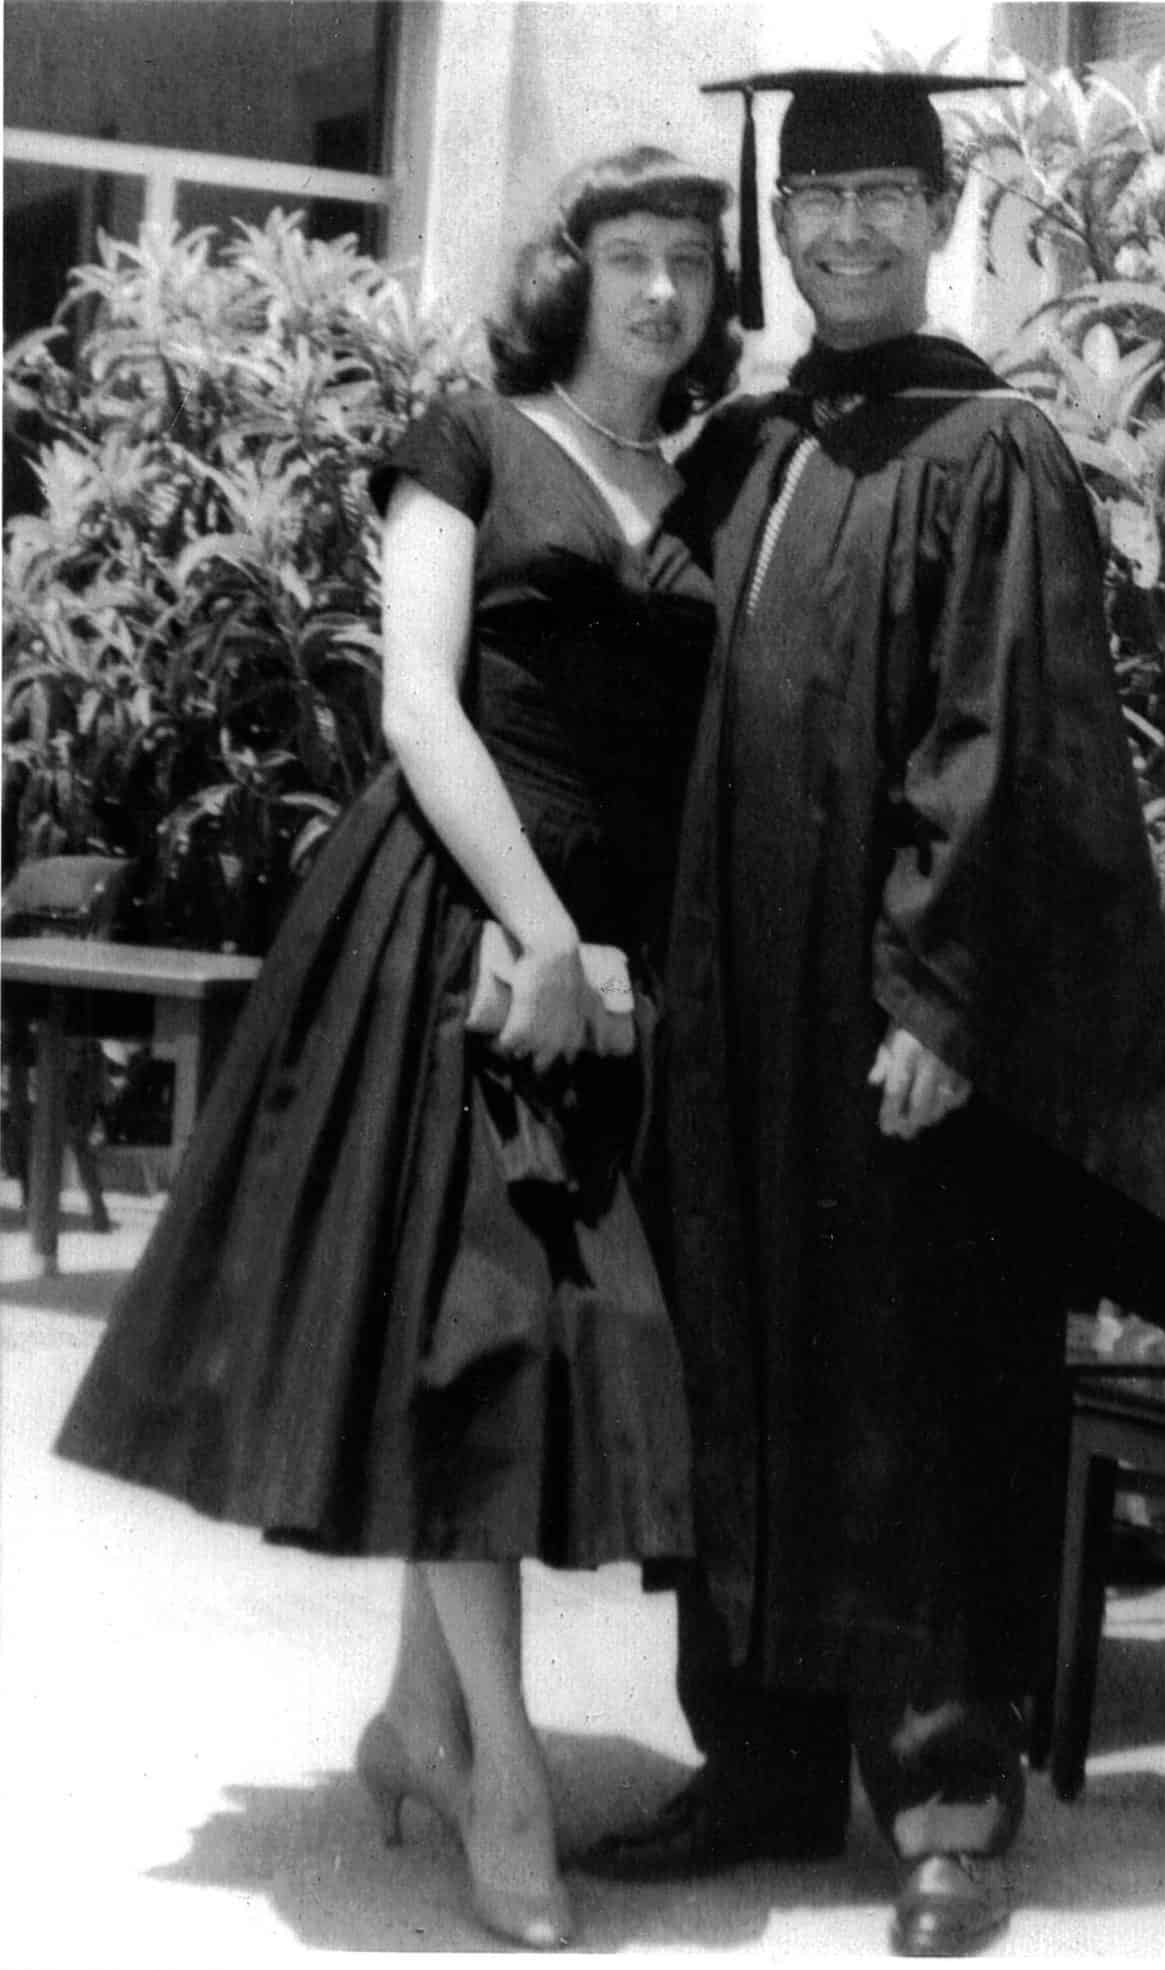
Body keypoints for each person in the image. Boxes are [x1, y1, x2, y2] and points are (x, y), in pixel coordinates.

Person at [54, 145, 739, 1952]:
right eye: (629, 260)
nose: (661, 293)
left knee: (506, 1349)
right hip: (450, 924)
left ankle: (423, 1722)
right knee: (475, 1332)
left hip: (605, 962)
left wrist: (618, 961)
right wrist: (534, 930)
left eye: (690, 262)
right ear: (571, 275)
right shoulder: (471, 438)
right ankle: (503, 1766)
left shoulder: (710, 480)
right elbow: (417, 700)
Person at [584, 73, 1165, 1957]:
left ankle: (948, 1797)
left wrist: (943, 992)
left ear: (947, 210)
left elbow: (1003, 741)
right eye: (819, 201)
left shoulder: (991, 448)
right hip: (731, 1016)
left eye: (885, 193)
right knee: (746, 1369)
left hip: (887, 1021)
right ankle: (764, 1760)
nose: (849, 230)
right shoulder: (750, 449)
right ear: (773, 231)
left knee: (917, 1383)